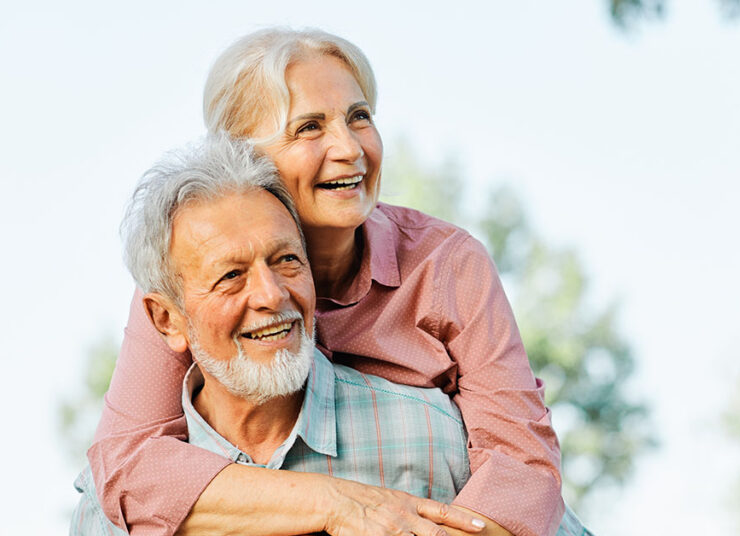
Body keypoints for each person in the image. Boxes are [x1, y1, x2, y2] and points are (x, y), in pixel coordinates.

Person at [90, 28, 566, 536]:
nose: (348, 148)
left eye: (359, 117)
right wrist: (340, 502)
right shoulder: (192, 277)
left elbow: (522, 467)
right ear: (240, 157)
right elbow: (128, 466)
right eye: (309, 128)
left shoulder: (447, 263)